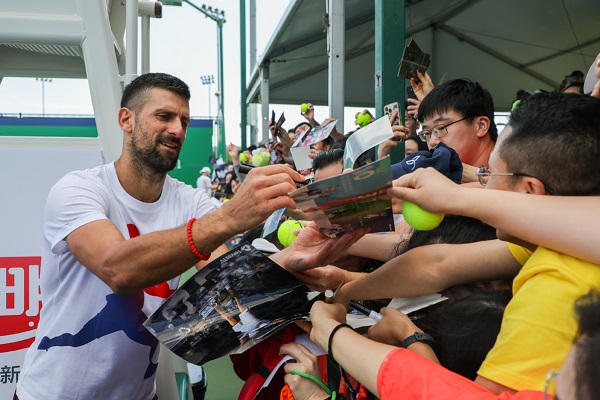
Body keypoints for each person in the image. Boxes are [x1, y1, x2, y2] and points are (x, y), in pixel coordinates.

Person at [15, 72, 367, 400]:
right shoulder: (79, 189)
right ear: (127, 120)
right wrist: (231, 216)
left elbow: (226, 280)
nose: (178, 129)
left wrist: (291, 260)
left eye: (184, 120)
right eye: (164, 116)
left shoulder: (190, 200)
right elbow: (116, 268)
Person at [352, 91, 600, 394]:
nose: (481, 183)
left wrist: (405, 337)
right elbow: (436, 264)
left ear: (530, 191)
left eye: (490, 173)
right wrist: (344, 287)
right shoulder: (552, 242)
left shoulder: (556, 284)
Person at [417, 78, 498, 183]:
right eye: (427, 133)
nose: (432, 142)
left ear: (481, 126)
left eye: (441, 128)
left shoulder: (517, 171)